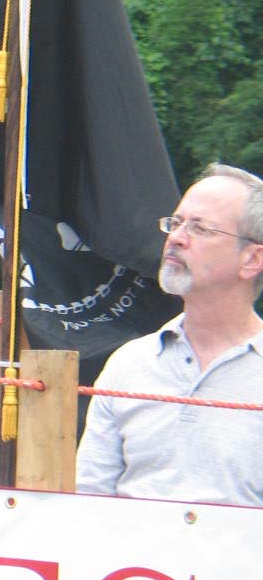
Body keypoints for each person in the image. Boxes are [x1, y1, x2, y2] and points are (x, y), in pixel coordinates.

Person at [75, 163, 263, 505]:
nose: (176, 238)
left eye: (201, 228)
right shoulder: (128, 366)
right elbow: (90, 503)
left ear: (252, 260)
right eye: (175, 224)